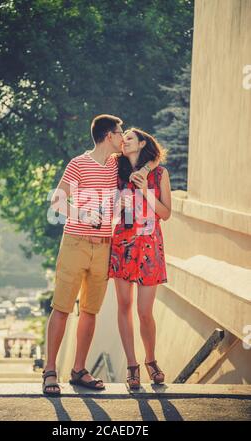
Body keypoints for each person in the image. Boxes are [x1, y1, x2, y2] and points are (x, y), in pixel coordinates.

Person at [43, 115, 157, 396]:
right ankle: (49, 371)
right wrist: (83, 213)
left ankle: (79, 370)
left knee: (90, 312)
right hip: (75, 243)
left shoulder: (116, 165)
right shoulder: (78, 164)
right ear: (109, 135)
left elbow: (151, 157)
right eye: (120, 133)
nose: (123, 137)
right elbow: (56, 201)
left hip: (104, 245)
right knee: (62, 308)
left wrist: (150, 166)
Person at [109, 128, 171, 389]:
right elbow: (108, 208)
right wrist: (117, 204)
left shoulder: (159, 173)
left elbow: (166, 213)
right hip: (123, 242)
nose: (124, 141)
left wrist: (146, 191)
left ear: (142, 143)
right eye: (123, 139)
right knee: (124, 306)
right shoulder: (115, 169)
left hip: (150, 245)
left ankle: (151, 360)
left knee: (145, 311)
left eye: (130, 138)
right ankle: (132, 366)